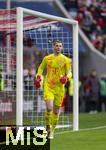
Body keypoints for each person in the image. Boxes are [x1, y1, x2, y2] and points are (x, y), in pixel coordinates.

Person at [35, 40, 72, 139]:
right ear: (53, 47)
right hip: (48, 86)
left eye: (60, 46)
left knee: (56, 111)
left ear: (62, 47)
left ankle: (52, 130)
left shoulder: (66, 60)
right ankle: (47, 126)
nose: (58, 47)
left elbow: (69, 72)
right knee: (49, 108)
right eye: (57, 45)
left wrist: (66, 78)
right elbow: (40, 69)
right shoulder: (47, 58)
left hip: (59, 89)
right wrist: (38, 77)